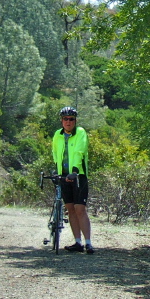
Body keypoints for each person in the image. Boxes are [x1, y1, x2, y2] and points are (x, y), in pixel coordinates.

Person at [49, 107, 92, 253]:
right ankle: (78, 242)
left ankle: (88, 243)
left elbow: (80, 151)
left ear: (75, 121)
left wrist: (74, 171)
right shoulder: (57, 134)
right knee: (70, 209)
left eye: (71, 119)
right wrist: (57, 169)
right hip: (63, 175)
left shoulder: (80, 132)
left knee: (80, 209)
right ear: (61, 120)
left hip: (78, 175)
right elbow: (55, 153)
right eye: (65, 119)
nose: (68, 122)